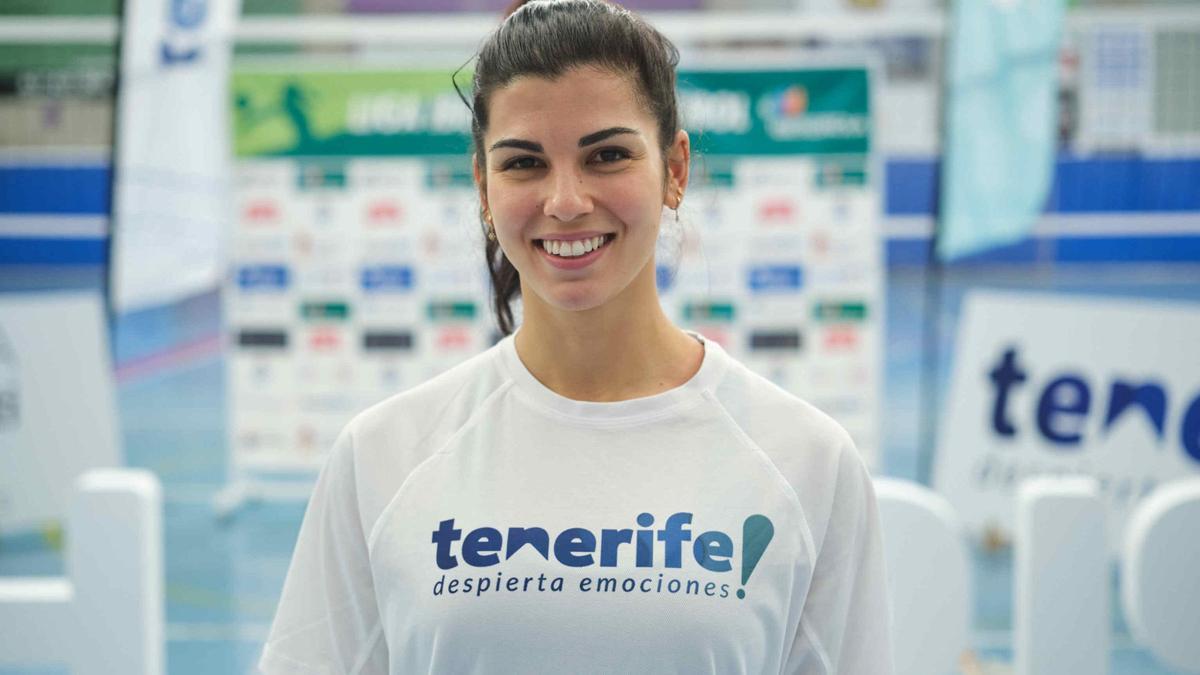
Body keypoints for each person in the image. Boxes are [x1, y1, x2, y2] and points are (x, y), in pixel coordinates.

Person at [259, 1, 893, 673]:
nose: (565, 200)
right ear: (482, 183)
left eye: (607, 155)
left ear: (675, 168)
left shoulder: (806, 463)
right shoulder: (383, 455)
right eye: (524, 163)